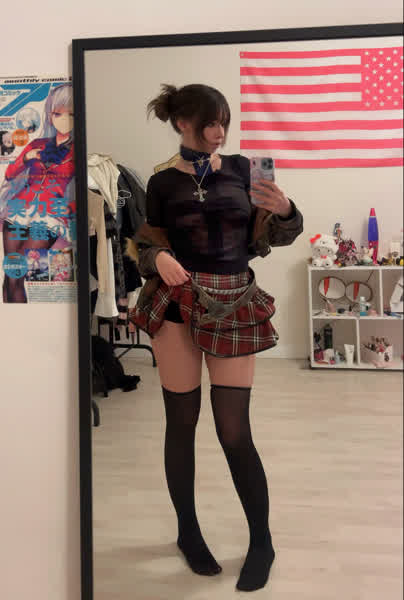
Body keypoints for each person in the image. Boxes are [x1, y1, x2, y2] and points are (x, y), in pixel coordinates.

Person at [127, 83, 304, 592]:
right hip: (176, 305)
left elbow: (278, 234)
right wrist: (157, 257)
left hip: (233, 301)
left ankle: (262, 542)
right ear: (182, 123)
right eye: (209, 122)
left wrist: (286, 209)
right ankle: (188, 532)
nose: (219, 131)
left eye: (224, 120)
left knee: (234, 430)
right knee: (181, 424)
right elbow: (144, 242)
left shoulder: (247, 170)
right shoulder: (162, 181)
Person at [0, 83, 75, 302]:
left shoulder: (78, 150)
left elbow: (84, 190)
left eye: (70, 114)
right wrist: (26, 158)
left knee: (18, 273)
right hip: (19, 209)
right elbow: (10, 174)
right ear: (50, 115)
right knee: (11, 275)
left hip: (50, 214)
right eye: (57, 113)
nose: (63, 119)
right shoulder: (38, 143)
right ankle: (10, 319)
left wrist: (70, 209)